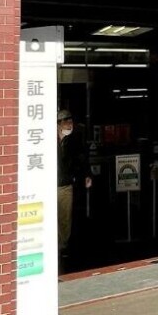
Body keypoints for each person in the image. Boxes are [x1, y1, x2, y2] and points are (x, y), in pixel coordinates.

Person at [57, 109, 92, 256]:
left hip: (66, 184)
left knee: (65, 217)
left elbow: (82, 158)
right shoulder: (45, 138)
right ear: (58, 124)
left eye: (71, 122)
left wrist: (87, 174)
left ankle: (62, 245)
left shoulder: (74, 140)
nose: (70, 125)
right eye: (67, 122)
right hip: (49, 184)